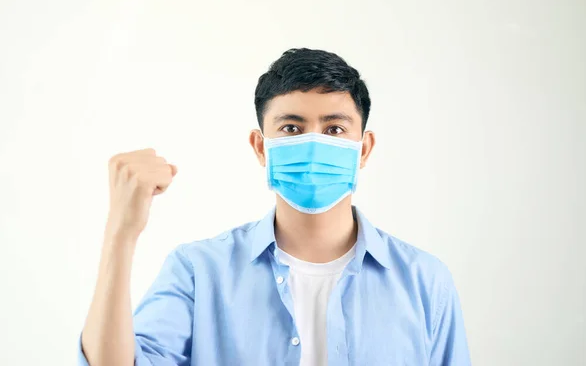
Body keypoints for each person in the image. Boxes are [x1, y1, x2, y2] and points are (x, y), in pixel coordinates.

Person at [79, 48, 471, 366]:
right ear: (260, 146)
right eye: (292, 128)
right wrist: (121, 232)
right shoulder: (199, 272)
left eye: (334, 129)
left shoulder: (424, 282)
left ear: (363, 148)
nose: (313, 143)